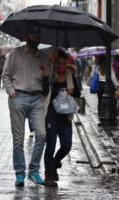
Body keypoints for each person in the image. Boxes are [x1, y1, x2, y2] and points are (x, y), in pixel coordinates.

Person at [2, 24, 50, 186]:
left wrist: (47, 77)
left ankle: (34, 171)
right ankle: (20, 173)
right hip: (18, 98)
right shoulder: (15, 54)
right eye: (33, 36)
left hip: (37, 99)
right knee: (18, 139)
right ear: (27, 37)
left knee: (42, 135)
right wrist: (12, 93)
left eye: (38, 37)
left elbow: (46, 81)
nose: (35, 39)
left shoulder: (44, 57)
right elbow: (6, 75)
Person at [44, 49, 80, 187]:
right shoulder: (51, 76)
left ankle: (53, 163)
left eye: (64, 64)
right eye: (59, 63)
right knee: (51, 145)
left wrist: (73, 86)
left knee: (66, 145)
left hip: (65, 117)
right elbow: (43, 91)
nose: (62, 66)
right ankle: (48, 174)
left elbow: (77, 93)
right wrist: (48, 79)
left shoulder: (70, 75)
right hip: (51, 115)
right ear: (55, 63)